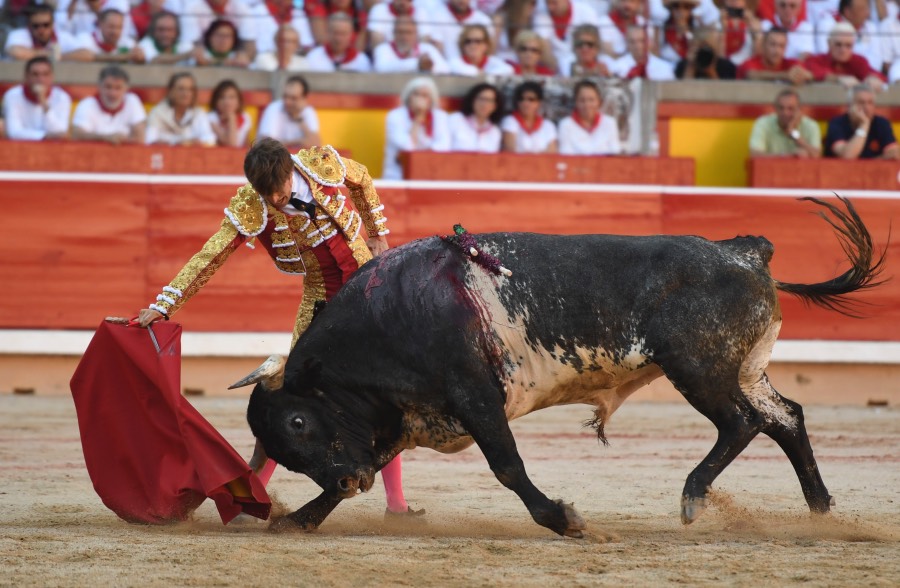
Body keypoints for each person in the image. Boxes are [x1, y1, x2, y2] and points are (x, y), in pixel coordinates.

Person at [137, 137, 421, 519]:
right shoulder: (253, 204)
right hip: (322, 301)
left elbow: (362, 178)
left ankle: (397, 505)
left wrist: (378, 231)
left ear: (290, 171)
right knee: (285, 396)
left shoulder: (320, 164)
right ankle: (247, 500)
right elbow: (211, 254)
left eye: (279, 190)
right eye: (265, 193)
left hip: (370, 292)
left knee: (385, 396)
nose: (273, 200)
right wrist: (163, 304)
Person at [382, 77, 451, 180]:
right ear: (409, 96)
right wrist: (418, 119)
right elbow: (408, 147)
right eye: (416, 94)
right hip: (398, 176)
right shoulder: (395, 116)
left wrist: (422, 158)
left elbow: (444, 147)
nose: (420, 99)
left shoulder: (441, 116)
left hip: (431, 175)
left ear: (431, 99)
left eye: (424, 96)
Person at [71, 65, 146, 144]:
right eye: (108, 87)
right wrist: (106, 138)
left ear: (126, 89)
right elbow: (77, 135)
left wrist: (116, 140)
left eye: (118, 88)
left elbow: (140, 138)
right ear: (99, 86)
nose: (112, 93)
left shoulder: (132, 101)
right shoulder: (87, 104)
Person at [2, 56, 72, 141]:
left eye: (45, 74)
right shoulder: (12, 96)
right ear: (26, 77)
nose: (40, 79)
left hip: (52, 149)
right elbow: (14, 132)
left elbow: (60, 133)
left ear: (52, 77)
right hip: (20, 147)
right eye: (35, 74)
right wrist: (44, 136)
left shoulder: (62, 97)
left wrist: (44, 103)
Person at [824, 84, 899, 159]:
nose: (866, 107)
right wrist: (864, 124)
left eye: (870, 103)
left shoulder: (882, 123)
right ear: (849, 106)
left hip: (874, 170)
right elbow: (847, 156)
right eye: (861, 102)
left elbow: (894, 154)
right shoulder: (837, 123)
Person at [803, 22, 885, 91]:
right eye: (838, 45)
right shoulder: (816, 60)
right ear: (829, 44)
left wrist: (873, 78)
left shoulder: (859, 61)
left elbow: (878, 75)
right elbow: (814, 73)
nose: (843, 50)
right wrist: (838, 79)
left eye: (848, 46)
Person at [145, 72, 217, 147]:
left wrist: (195, 142)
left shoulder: (198, 114)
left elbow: (210, 140)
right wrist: (177, 143)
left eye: (190, 89)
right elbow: (149, 140)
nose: (186, 93)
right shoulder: (158, 113)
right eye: (181, 89)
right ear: (171, 91)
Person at [748, 89, 822, 158]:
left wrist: (794, 134)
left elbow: (816, 155)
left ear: (799, 110)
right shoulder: (763, 123)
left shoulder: (811, 125)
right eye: (781, 108)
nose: (785, 113)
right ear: (775, 108)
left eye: (790, 108)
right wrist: (788, 156)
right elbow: (755, 154)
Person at [814, 0, 882, 72]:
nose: (867, 13)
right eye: (862, 9)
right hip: (835, 74)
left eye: (868, 8)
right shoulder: (827, 25)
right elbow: (827, 55)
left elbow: (876, 59)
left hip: (865, 75)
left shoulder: (870, 27)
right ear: (847, 12)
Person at [558, 79, 621, 155]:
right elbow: (566, 156)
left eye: (591, 100)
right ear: (576, 102)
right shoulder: (565, 125)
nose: (587, 105)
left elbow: (615, 154)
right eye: (582, 100)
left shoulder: (610, 123)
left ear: (599, 102)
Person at [179, 0, 258, 61]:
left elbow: (250, 46)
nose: (222, 39)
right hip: (203, 56)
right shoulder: (193, 7)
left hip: (233, 56)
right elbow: (191, 43)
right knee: (185, 47)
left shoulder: (241, 8)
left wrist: (242, 57)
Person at [256, 75, 322, 149]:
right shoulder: (273, 108)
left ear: (304, 99)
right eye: (285, 96)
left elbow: (317, 145)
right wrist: (299, 141)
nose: (287, 102)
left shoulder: (308, 111)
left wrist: (299, 119)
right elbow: (266, 145)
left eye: (293, 98)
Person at [372, 15, 450, 75]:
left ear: (416, 34)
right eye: (400, 32)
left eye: (409, 32)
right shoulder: (383, 48)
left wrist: (428, 65)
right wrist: (418, 65)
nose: (404, 36)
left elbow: (445, 69)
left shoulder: (427, 48)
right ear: (393, 33)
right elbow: (381, 68)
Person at [533, 0, 601, 68]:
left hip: (582, 60)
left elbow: (593, 44)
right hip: (555, 65)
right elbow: (545, 51)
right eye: (548, 3)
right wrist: (561, 71)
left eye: (554, 3)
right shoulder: (541, 14)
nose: (550, 7)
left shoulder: (586, 11)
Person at [63, 8, 145, 63]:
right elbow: (69, 57)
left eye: (119, 27)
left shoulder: (127, 43)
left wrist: (140, 58)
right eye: (111, 27)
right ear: (100, 24)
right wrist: (118, 57)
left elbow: (142, 60)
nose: (115, 31)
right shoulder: (85, 38)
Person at [3, 4, 80, 62]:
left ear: (53, 24)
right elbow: (15, 52)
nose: (41, 29)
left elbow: (85, 54)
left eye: (46, 25)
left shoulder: (64, 36)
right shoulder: (18, 34)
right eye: (36, 26)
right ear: (29, 25)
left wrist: (61, 57)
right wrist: (51, 55)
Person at [737, 27, 812, 84]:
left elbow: (809, 75)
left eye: (781, 46)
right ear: (763, 45)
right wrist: (784, 76)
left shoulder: (791, 63)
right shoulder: (749, 63)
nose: (777, 50)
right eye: (773, 44)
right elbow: (752, 75)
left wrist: (804, 75)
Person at [500, 80, 558, 153]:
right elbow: (511, 151)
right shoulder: (509, 121)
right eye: (521, 99)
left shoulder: (548, 126)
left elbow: (552, 154)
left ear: (539, 103)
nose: (525, 103)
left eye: (531, 99)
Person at [305, 12, 373, 72]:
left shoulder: (361, 60)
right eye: (335, 33)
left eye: (343, 34)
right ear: (328, 32)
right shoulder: (314, 56)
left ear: (351, 35)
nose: (338, 38)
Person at [448, 82, 503, 153]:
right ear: (472, 100)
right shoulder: (456, 119)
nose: (484, 104)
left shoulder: (495, 132)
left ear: (495, 106)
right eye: (481, 99)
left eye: (489, 101)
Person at [610, 24, 676, 80]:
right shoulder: (616, 67)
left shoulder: (664, 68)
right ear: (627, 43)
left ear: (649, 42)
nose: (637, 46)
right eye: (632, 42)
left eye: (641, 41)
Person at [249, 0, 314, 56]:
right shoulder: (257, 10)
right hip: (263, 60)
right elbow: (250, 46)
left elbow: (307, 45)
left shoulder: (298, 13)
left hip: (293, 61)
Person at [447, 23, 515, 75]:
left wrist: (483, 74)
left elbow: (509, 69)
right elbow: (454, 67)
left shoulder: (492, 61)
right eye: (468, 41)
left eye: (478, 41)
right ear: (462, 45)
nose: (473, 45)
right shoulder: (455, 62)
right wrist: (479, 73)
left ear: (486, 45)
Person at [208, 79, 253, 148]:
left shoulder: (245, 117)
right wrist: (232, 118)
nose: (227, 102)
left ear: (239, 101)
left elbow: (246, 144)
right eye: (222, 97)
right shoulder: (211, 117)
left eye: (232, 97)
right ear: (215, 101)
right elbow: (231, 144)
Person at [718, 0, 761, 66]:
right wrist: (723, 30)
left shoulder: (755, 23)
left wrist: (754, 34)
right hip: (725, 70)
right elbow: (718, 59)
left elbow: (758, 57)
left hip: (747, 69)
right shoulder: (717, 22)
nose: (735, 1)